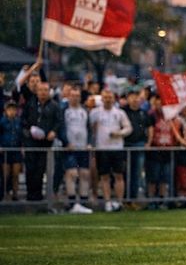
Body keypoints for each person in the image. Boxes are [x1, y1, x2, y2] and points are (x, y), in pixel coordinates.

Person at [89, 89, 132, 212]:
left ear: (114, 99)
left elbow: (128, 128)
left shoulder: (119, 113)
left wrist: (119, 133)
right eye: (105, 97)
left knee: (119, 175)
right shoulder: (95, 113)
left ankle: (119, 201)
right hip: (102, 148)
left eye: (110, 97)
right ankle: (107, 201)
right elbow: (91, 129)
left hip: (117, 147)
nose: (108, 99)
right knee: (104, 176)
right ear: (102, 99)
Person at [23, 81, 62, 201]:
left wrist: (54, 132)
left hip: (45, 143)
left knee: (40, 170)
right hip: (31, 142)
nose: (43, 92)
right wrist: (28, 133)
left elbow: (59, 121)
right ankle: (30, 196)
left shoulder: (55, 105)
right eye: (40, 90)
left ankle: (39, 196)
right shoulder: (30, 104)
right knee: (30, 169)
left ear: (49, 91)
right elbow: (23, 121)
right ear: (37, 91)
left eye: (45, 90)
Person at [62, 86, 93, 214]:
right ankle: (72, 203)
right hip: (70, 148)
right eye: (73, 95)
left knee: (85, 174)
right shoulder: (64, 110)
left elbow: (89, 129)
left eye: (77, 96)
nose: (75, 98)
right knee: (72, 173)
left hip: (83, 147)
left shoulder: (84, 111)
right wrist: (66, 142)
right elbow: (60, 127)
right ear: (69, 96)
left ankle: (83, 202)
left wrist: (90, 142)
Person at [123, 90, 153, 201]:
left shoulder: (143, 113)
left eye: (137, 97)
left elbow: (150, 128)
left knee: (137, 172)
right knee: (125, 172)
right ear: (128, 99)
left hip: (139, 144)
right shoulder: (123, 112)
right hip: (126, 145)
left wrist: (148, 142)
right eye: (132, 97)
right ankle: (125, 198)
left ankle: (133, 198)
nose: (135, 100)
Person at [1, 102, 23, 201]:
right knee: (5, 174)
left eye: (14, 109)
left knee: (15, 174)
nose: (12, 112)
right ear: (6, 111)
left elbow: (21, 136)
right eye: (10, 109)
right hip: (5, 151)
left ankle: (15, 193)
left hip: (16, 151)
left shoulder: (19, 122)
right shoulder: (2, 122)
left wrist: (22, 147)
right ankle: (5, 192)